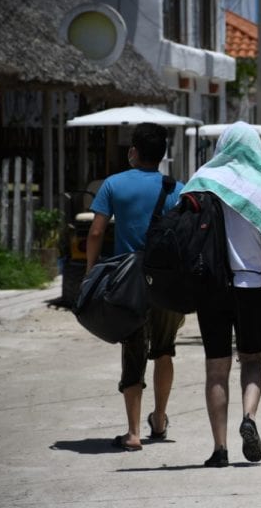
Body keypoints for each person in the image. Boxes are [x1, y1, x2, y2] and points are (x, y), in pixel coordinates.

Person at [181, 121, 261, 467]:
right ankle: (249, 416)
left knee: (216, 369)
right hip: (250, 286)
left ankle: (219, 449)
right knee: (253, 360)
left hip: (210, 287)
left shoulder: (203, 181)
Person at [86, 122, 185, 451]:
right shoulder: (177, 188)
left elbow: (97, 233)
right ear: (162, 155)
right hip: (168, 284)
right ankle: (159, 417)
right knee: (164, 350)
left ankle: (132, 432)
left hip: (128, 283)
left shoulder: (113, 185)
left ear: (133, 152)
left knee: (133, 351)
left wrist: (91, 271)